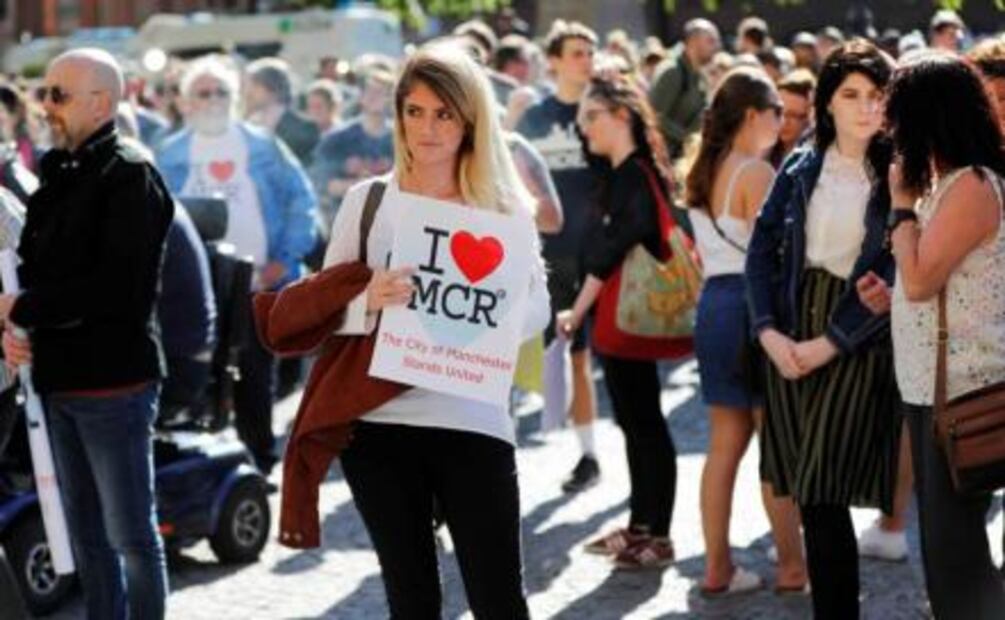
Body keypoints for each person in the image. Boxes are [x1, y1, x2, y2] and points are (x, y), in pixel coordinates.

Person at [322, 41, 549, 618]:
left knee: (499, 599)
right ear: (398, 116)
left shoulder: (501, 208)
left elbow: (538, 306)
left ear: (470, 119)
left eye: (443, 113)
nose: (427, 128)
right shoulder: (367, 201)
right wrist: (366, 300)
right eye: (414, 111)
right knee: (412, 599)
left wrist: (487, 321)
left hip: (473, 418)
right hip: (380, 427)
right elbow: (322, 311)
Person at [0, 48, 174, 620]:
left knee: (129, 535)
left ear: (102, 101)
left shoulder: (130, 174)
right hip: (58, 378)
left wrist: (24, 307)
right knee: (87, 537)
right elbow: (34, 268)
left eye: (59, 94)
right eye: (43, 93)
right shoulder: (59, 169)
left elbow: (115, 291)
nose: (45, 106)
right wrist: (18, 323)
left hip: (114, 383)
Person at [745, 39, 901, 619]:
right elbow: (760, 249)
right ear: (827, 103)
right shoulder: (801, 164)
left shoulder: (899, 172)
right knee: (809, 495)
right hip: (789, 320)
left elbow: (893, 268)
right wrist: (767, 333)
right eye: (851, 94)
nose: (866, 108)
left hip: (857, 334)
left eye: (877, 95)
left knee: (823, 487)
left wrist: (830, 342)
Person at [882, 52, 1005, 619]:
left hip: (962, 384)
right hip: (930, 381)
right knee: (943, 539)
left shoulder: (971, 185)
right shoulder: (950, 183)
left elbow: (921, 280)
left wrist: (901, 211)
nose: (890, 128)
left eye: (897, 113)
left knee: (955, 546)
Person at [157, 55, 317, 476]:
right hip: (199, 285)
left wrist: (284, 261)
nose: (212, 100)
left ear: (234, 97)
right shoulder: (169, 153)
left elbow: (302, 202)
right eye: (202, 93)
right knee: (203, 373)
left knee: (255, 373)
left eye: (220, 92)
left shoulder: (262, 145)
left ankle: (260, 459)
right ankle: (209, 463)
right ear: (186, 101)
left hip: (259, 281)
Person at [683, 67, 807, 595]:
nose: (783, 122)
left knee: (724, 444)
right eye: (778, 111)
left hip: (712, 305)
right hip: (752, 307)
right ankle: (792, 568)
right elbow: (778, 254)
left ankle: (717, 567)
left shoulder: (702, 171)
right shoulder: (754, 173)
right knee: (774, 446)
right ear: (754, 115)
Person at [555, 71, 681, 570]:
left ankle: (659, 533)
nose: (583, 128)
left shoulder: (635, 174)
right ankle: (641, 525)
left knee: (643, 420)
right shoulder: (622, 172)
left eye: (591, 116)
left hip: (629, 318)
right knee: (634, 420)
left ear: (621, 115)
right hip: (619, 319)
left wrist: (577, 310)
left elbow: (610, 253)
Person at [515, 20, 602, 493]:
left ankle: (590, 454)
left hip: (595, 254)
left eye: (590, 52)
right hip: (543, 254)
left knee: (582, 358)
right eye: (576, 52)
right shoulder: (536, 115)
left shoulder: (602, 109)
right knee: (546, 355)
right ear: (553, 61)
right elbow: (509, 167)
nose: (586, 60)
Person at [309, 69, 395, 231]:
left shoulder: (402, 141)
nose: (374, 97)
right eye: (370, 91)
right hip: (346, 226)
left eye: (381, 92)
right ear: (361, 97)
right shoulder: (336, 139)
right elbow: (323, 184)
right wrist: (365, 186)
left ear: (391, 99)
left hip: (390, 227)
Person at [649, 18, 721, 159]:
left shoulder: (699, 76)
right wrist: (687, 139)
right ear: (693, 41)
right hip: (665, 160)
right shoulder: (672, 71)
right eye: (710, 41)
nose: (716, 47)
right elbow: (654, 117)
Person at [245, 57, 321, 166]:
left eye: (253, 85)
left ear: (270, 88)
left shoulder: (305, 131)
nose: (247, 93)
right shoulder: (248, 128)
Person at [768, 69, 815, 168]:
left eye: (793, 115)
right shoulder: (765, 152)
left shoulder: (813, 159)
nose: (784, 121)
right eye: (779, 112)